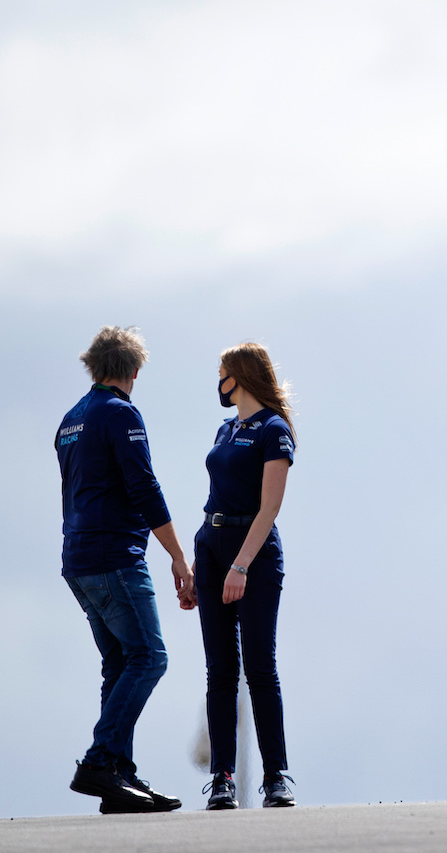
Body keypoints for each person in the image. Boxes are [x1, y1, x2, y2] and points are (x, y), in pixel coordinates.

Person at [57, 326, 193, 814]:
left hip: (79, 560)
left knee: (119, 664)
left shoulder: (71, 418)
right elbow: (143, 486)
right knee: (150, 658)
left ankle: (119, 778)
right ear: (134, 371)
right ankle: (99, 762)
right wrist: (178, 556)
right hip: (115, 559)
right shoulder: (120, 413)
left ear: (93, 367)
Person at [191, 342, 299, 808]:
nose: (218, 382)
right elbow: (217, 495)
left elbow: (270, 506)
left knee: (259, 667)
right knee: (219, 672)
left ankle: (276, 776)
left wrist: (241, 565)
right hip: (211, 545)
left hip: (251, 551)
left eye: (221, 373)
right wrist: (200, 563)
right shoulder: (224, 429)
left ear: (239, 376)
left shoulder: (273, 430)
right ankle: (222, 778)